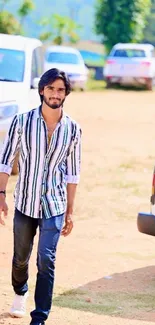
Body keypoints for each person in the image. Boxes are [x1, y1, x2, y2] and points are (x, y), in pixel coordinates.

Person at [0, 68, 81, 325]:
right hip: (25, 202)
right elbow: (5, 162)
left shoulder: (73, 129)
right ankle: (20, 292)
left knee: (47, 258)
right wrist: (1, 194)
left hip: (54, 205)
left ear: (66, 93)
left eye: (60, 90)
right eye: (51, 89)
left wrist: (70, 210)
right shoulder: (21, 122)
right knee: (20, 257)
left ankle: (40, 317)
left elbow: (72, 173)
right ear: (42, 90)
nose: (55, 94)